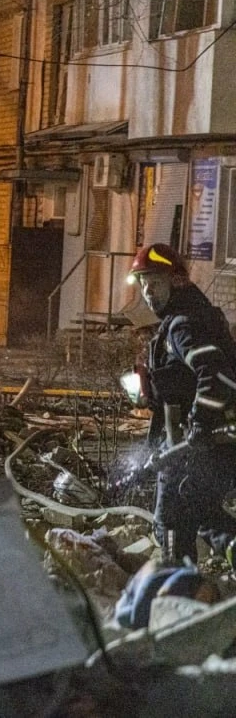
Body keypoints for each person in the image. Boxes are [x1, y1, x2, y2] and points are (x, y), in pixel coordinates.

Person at [126, 243, 236, 568]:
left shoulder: (183, 325)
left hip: (194, 451)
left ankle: (179, 588)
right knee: (203, 517)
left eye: (155, 282)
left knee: (171, 526)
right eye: (143, 284)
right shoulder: (195, 317)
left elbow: (217, 377)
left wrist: (199, 425)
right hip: (207, 449)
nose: (148, 292)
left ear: (176, 281)